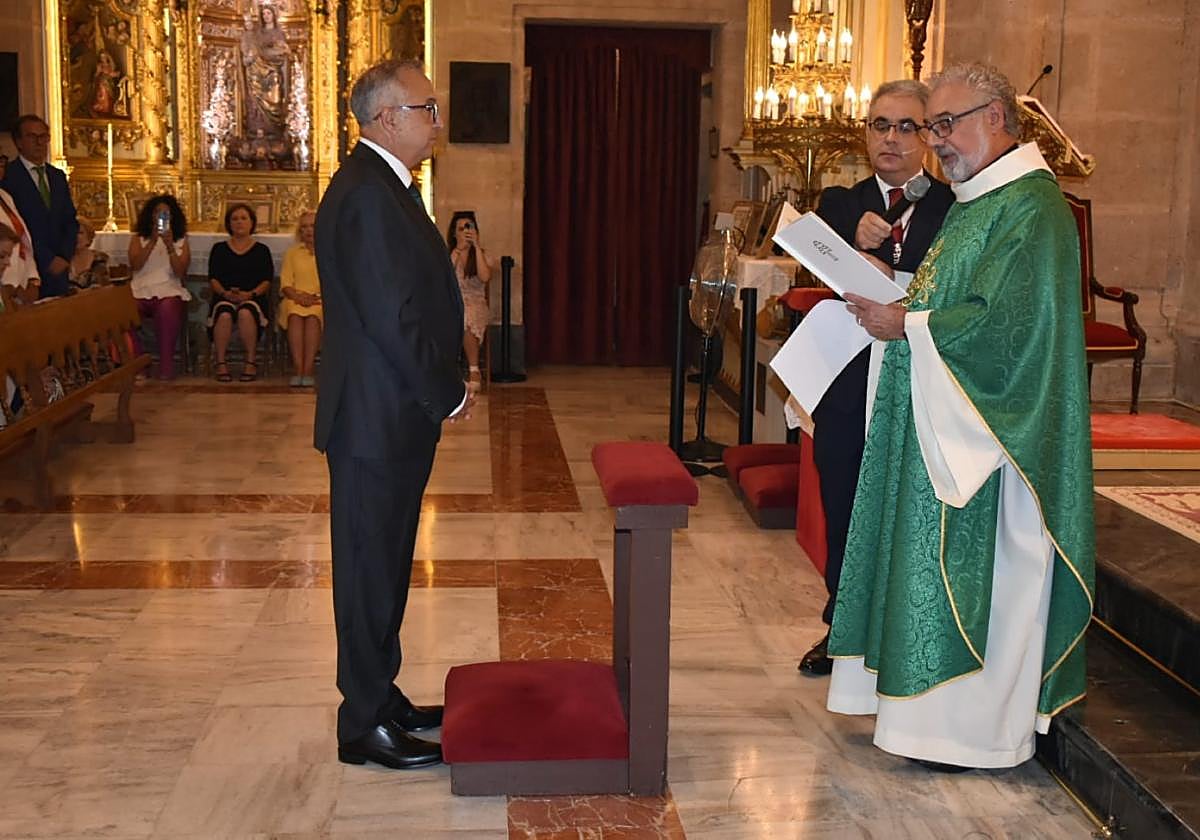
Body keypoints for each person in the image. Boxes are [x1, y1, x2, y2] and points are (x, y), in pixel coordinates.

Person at [828, 62, 1095, 770]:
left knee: (990, 581)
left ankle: (972, 734)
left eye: (946, 124)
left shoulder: (1033, 208)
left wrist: (907, 324)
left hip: (994, 441)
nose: (936, 141)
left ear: (997, 118)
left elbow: (1008, 329)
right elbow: (947, 299)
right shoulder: (980, 200)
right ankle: (923, 724)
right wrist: (901, 308)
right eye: (931, 126)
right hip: (945, 423)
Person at [314, 58, 471, 770]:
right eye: (427, 109)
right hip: (377, 419)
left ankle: (381, 696)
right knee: (368, 569)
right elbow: (392, 316)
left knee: (386, 564)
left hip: (392, 416)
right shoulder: (369, 195)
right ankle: (361, 724)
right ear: (386, 119)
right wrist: (449, 389)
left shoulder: (386, 186)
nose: (437, 122)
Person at [799, 79, 954, 676]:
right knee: (842, 497)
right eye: (879, 125)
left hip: (917, 380)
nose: (890, 138)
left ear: (930, 138)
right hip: (847, 380)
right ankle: (840, 627)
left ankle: (902, 633)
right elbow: (811, 261)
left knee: (903, 506)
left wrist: (895, 262)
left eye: (905, 126)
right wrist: (849, 238)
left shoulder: (952, 206)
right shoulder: (840, 202)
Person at [0, 115, 80, 298]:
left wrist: (64, 256)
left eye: (43, 137)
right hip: (28, 268)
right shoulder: (9, 176)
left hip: (60, 267)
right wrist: (46, 259)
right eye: (32, 137)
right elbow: (16, 227)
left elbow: (69, 221)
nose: (39, 142)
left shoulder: (57, 176)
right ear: (18, 142)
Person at [128, 194, 192, 380]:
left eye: (165, 214)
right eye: (157, 213)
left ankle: (166, 365)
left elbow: (181, 272)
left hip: (168, 289)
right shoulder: (138, 239)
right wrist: (153, 242)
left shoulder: (181, 240)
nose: (160, 217)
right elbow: (136, 265)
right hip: (140, 289)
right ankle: (139, 364)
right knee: (125, 314)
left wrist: (170, 247)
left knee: (167, 310)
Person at [207, 203, 273, 382]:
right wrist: (225, 293)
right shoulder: (219, 249)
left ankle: (250, 361)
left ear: (252, 222)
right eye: (234, 219)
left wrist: (250, 294)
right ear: (229, 224)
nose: (239, 222)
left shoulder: (261, 250)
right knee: (225, 314)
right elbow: (213, 278)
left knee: (245, 312)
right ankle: (220, 362)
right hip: (224, 296)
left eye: (244, 218)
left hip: (253, 298)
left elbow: (267, 280)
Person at [445, 210, 491, 393]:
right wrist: (457, 251)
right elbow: (445, 279)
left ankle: (474, 370)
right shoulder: (449, 254)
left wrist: (476, 248)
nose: (465, 231)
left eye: (468, 227)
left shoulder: (480, 254)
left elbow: (485, 277)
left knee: (467, 315)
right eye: (460, 228)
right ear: (454, 233)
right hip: (452, 301)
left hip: (475, 301)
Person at [278, 209, 322, 387]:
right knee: (294, 316)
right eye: (304, 227)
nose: (309, 231)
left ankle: (308, 368)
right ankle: (298, 369)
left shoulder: (329, 250)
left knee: (313, 317)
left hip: (320, 301)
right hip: (294, 299)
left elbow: (333, 281)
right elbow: (286, 282)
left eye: (312, 226)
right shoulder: (292, 253)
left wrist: (315, 297)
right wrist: (298, 297)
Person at [0, 182, 40, 304]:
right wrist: (8, 288)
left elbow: (22, 241)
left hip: (20, 279)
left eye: (2, 164)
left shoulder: (5, 196)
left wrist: (32, 278)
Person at [68, 219, 110, 292]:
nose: (76, 236)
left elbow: (106, 289)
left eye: (80, 233)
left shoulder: (101, 259)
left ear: (89, 236)